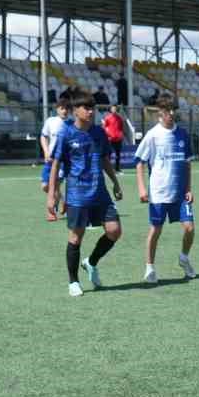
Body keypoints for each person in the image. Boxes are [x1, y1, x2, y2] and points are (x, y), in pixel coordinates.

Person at [46, 88, 123, 296]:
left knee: (114, 231)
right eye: (86, 108)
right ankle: (73, 282)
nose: (91, 111)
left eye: (93, 108)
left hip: (100, 193)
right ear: (75, 111)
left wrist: (115, 182)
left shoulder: (99, 132)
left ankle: (90, 262)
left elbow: (105, 159)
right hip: (77, 195)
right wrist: (52, 194)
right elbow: (55, 165)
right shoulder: (66, 133)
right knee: (76, 237)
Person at [133, 94, 196, 284]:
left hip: (180, 193)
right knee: (156, 230)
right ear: (160, 112)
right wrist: (142, 189)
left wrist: (189, 188)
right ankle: (150, 268)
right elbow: (139, 163)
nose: (171, 113)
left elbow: (187, 164)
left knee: (190, 228)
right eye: (168, 110)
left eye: (173, 110)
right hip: (159, 192)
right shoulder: (153, 135)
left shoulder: (182, 134)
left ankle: (184, 258)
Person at [39, 96, 71, 221]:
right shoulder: (50, 121)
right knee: (45, 186)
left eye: (67, 109)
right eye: (62, 108)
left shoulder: (71, 124)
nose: (65, 111)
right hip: (50, 159)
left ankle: (52, 212)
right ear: (57, 109)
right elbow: (43, 137)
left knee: (55, 185)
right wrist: (46, 152)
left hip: (62, 161)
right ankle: (64, 201)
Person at [101, 103, 126, 170]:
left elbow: (121, 128)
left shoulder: (119, 118)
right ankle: (108, 168)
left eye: (115, 108)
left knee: (118, 155)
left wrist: (121, 135)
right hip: (110, 139)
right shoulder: (107, 118)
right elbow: (104, 127)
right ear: (111, 109)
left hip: (118, 139)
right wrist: (107, 136)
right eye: (113, 108)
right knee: (108, 154)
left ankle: (117, 169)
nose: (114, 110)